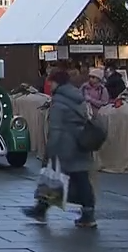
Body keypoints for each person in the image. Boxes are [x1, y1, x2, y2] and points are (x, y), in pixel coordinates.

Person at [23, 68, 98, 228]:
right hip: (80, 143)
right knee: (81, 179)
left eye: (51, 82)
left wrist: (49, 151)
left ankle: (41, 209)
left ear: (57, 83)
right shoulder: (78, 98)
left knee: (51, 177)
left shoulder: (58, 103)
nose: (50, 85)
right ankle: (87, 213)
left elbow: (55, 130)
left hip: (65, 146)